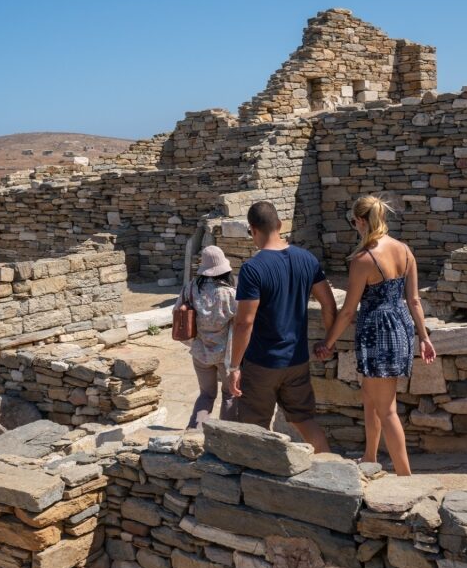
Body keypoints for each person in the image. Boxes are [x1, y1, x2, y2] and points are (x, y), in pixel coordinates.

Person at [315, 195, 436, 475]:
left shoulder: (363, 259)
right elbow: (414, 300)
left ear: (359, 221)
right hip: (401, 327)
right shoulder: (405, 250)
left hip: (378, 334)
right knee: (370, 398)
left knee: (387, 409)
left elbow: (347, 311)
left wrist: (327, 343)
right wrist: (423, 336)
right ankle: (370, 458)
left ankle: (406, 476)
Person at [226, 201, 337, 453]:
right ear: (279, 225)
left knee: (255, 427)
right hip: (297, 360)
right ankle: (332, 469)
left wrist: (234, 366)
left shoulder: (253, 269)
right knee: (305, 420)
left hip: (262, 363)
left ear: (253, 230)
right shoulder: (307, 259)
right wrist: (328, 342)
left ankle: (258, 483)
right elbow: (329, 306)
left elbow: (245, 322)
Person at [174, 245, 238, 429]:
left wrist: (191, 342)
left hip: (200, 353)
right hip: (227, 355)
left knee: (206, 395)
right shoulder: (230, 294)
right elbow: (243, 324)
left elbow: (177, 313)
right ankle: (226, 436)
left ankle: (194, 433)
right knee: (230, 395)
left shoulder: (191, 289)